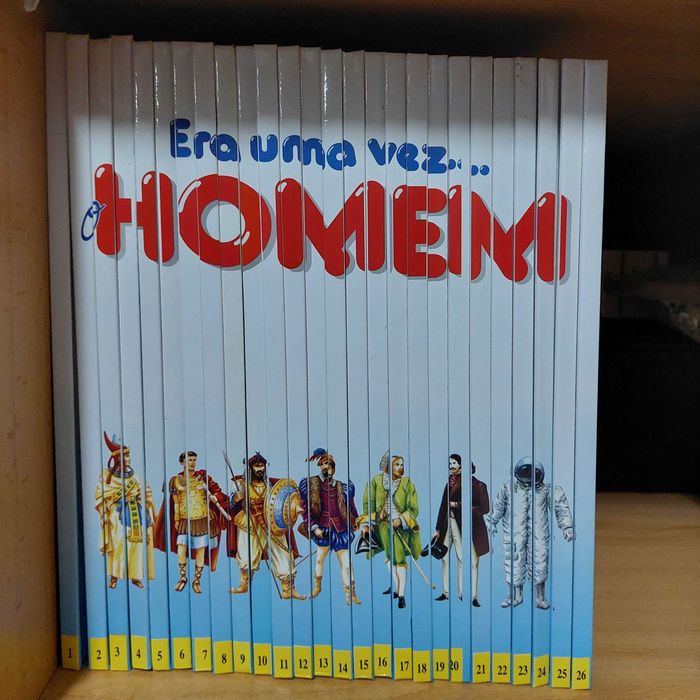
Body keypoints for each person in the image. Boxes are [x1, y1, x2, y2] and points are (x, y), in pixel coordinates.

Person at [488, 457, 575, 609]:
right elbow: (498, 507)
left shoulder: (547, 490)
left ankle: (540, 597)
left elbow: (560, 507)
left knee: (540, 562)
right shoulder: (508, 489)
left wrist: (567, 527)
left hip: (539, 535)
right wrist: (491, 522)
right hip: (514, 535)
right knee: (513, 562)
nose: (528, 479)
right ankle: (515, 596)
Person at [228, 452, 304, 600]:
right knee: (247, 554)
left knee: (283, 553)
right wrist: (237, 498)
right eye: (257, 466)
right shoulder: (240, 484)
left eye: (262, 466)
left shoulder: (271, 485)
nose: (260, 469)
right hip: (249, 522)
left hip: (271, 522)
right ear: (250, 468)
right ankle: (244, 585)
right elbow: (231, 502)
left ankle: (288, 589)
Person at [153, 450, 228, 594]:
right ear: (182, 462)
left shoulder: (203, 478)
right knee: (181, 547)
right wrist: (176, 519)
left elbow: (217, 492)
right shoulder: (176, 480)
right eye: (189, 460)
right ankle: (183, 577)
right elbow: (176, 502)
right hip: (184, 519)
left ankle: (197, 580)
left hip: (202, 518)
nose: (192, 463)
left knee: (200, 549)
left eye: (194, 460)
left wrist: (216, 497)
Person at [298, 448, 360, 605]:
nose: (326, 467)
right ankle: (317, 587)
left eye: (329, 464)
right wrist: (314, 527)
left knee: (346, 564)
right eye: (323, 464)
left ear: (333, 467)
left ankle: (350, 594)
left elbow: (351, 507)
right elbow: (305, 510)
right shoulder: (311, 485)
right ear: (320, 466)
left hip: (340, 530)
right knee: (319, 560)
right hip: (322, 529)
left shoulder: (341, 486)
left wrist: (357, 521)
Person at [360, 451, 421, 609]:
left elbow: (414, 508)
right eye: (397, 464)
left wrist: (400, 520)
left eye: (402, 464)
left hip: (401, 527)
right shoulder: (375, 481)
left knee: (399, 558)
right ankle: (396, 586)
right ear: (388, 466)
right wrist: (367, 524)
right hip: (382, 526)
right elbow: (368, 504)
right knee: (389, 556)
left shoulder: (407, 483)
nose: (400, 467)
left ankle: (401, 595)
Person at [96, 432, 155, 589]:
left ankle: (135, 576)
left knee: (136, 545)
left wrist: (150, 514)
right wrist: (103, 513)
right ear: (118, 458)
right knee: (120, 544)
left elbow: (146, 496)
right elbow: (101, 497)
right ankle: (114, 576)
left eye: (128, 456)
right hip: (117, 515)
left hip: (136, 513)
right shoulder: (106, 476)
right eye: (126, 456)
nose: (129, 459)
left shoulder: (135, 478)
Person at [431, 454, 463, 602]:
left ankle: (462, 592)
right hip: (446, 523)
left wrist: (456, 505)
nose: (451, 466)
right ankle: (446, 592)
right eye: (450, 463)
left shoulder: (465, 482)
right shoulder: (448, 483)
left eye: (454, 463)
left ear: (460, 465)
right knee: (444, 556)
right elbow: (443, 505)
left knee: (461, 557)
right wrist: (438, 528)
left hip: (459, 523)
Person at [471, 462, 490, 607]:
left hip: (475, 527)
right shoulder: (452, 486)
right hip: (455, 525)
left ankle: (474, 596)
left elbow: (485, 508)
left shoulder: (480, 486)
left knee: (474, 562)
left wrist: (467, 509)